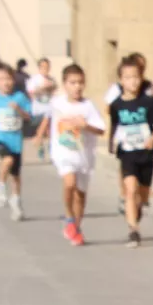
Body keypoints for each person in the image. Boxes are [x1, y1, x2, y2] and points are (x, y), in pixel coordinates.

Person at [106, 56, 153, 247]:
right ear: (121, 81)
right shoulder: (116, 104)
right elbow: (115, 125)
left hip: (146, 152)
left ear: (141, 78)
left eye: (136, 77)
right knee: (130, 190)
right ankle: (133, 230)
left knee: (143, 194)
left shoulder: (149, 102)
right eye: (128, 77)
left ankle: (138, 208)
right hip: (127, 152)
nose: (132, 81)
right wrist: (112, 142)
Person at [49, 63, 106, 246]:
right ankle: (68, 217)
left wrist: (85, 125)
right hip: (63, 153)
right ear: (64, 84)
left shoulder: (88, 106)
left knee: (80, 195)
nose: (77, 86)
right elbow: (46, 116)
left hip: (84, 156)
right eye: (72, 82)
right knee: (69, 183)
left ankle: (76, 228)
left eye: (80, 82)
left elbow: (100, 130)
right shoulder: (57, 103)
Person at [0, 63, 32, 222]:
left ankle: (16, 202)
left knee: (16, 176)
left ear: (14, 80)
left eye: (9, 78)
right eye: (1, 79)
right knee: (8, 160)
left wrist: (18, 109)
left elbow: (28, 116)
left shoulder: (20, 97)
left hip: (15, 141)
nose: (6, 82)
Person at [26, 57, 57, 161]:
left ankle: (49, 147)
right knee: (42, 128)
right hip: (38, 108)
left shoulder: (51, 79)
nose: (45, 69)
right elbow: (31, 94)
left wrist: (51, 88)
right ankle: (39, 143)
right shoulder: (34, 80)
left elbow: (54, 93)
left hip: (49, 108)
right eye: (43, 67)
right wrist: (43, 88)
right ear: (39, 68)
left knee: (49, 131)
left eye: (47, 67)